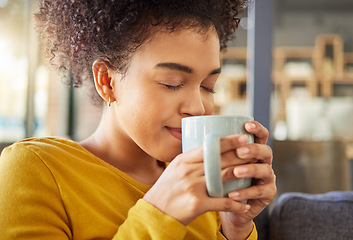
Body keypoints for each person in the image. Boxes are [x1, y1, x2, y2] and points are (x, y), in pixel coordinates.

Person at [0, 0, 276, 239]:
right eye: (171, 83)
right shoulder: (35, 169)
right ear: (107, 81)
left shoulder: (205, 181)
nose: (198, 107)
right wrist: (160, 214)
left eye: (208, 86)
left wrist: (235, 228)